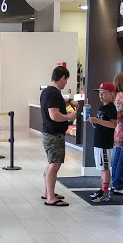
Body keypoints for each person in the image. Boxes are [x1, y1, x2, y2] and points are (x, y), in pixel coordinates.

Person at [40, 66, 77, 206]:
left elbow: (56, 104)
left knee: (51, 164)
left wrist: (69, 100)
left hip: (49, 133)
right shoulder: (54, 94)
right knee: (54, 165)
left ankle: (48, 192)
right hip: (54, 134)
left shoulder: (48, 91)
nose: (66, 83)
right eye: (66, 80)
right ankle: (50, 197)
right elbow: (54, 115)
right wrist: (69, 117)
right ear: (62, 78)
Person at [88, 82, 117, 202]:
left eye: (103, 93)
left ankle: (105, 192)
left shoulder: (111, 107)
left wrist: (97, 121)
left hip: (105, 142)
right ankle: (102, 189)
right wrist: (94, 122)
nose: (101, 95)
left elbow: (113, 124)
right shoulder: (102, 107)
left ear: (111, 94)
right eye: (100, 93)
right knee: (101, 167)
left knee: (105, 167)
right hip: (99, 140)